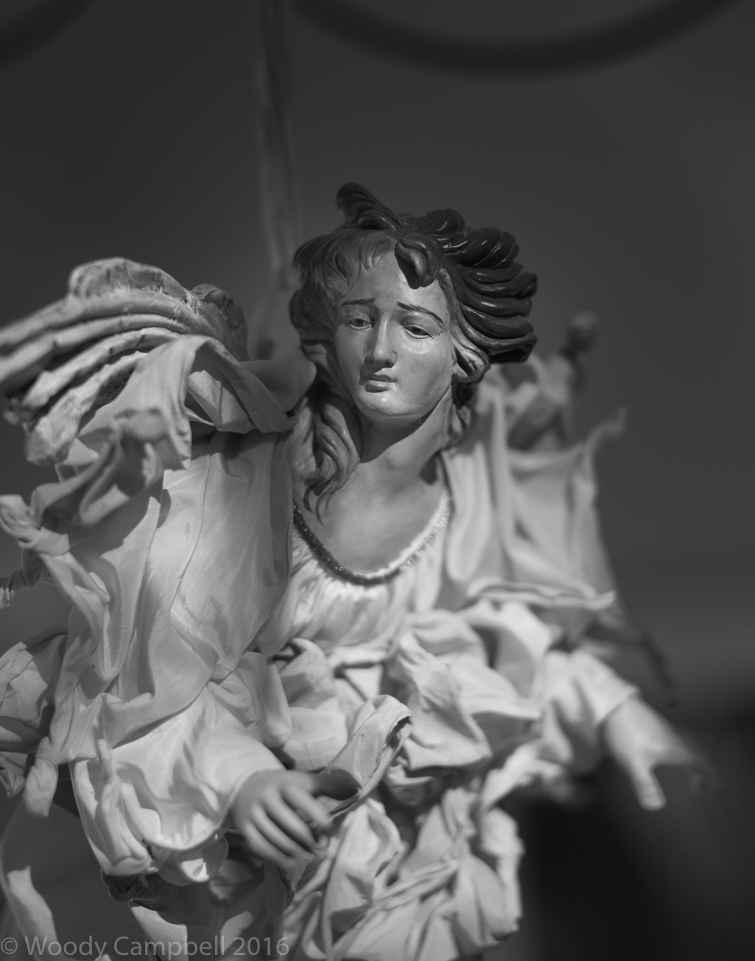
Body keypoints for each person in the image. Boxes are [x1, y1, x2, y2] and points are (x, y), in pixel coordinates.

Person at [0, 185, 706, 961]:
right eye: (359, 319)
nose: (380, 351)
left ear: (464, 351)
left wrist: (613, 710)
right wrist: (239, 778)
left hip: (382, 831)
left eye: (415, 326)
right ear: (322, 337)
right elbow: (150, 678)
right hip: (238, 839)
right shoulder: (237, 490)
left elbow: (491, 638)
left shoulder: (465, 500)